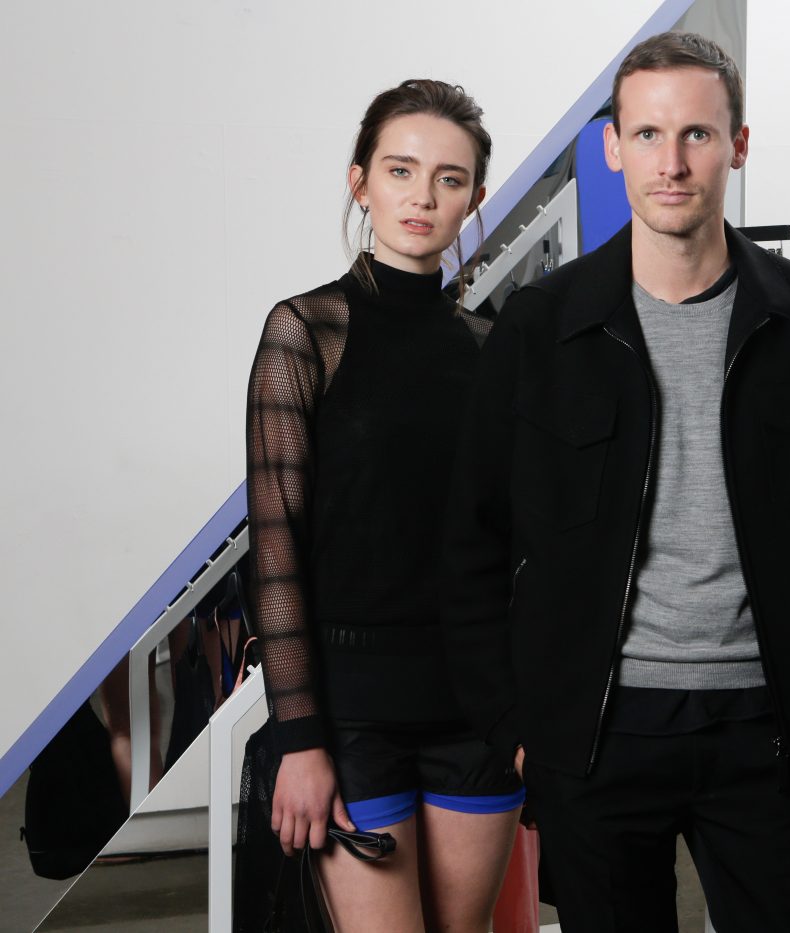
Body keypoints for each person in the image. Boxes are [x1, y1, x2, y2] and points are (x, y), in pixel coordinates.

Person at [442, 31, 790, 932]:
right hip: (599, 735)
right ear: (612, 147)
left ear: (739, 145)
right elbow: (473, 540)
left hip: (768, 729)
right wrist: (520, 728)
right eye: (649, 135)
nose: (672, 164)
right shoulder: (542, 328)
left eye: (698, 134)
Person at [245, 79, 521, 933]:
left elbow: (514, 544)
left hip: (475, 708)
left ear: (474, 199)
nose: (422, 196)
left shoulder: (492, 347)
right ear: (360, 182)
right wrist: (299, 738)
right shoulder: (306, 331)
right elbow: (275, 547)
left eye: (449, 178)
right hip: (351, 713)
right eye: (401, 170)